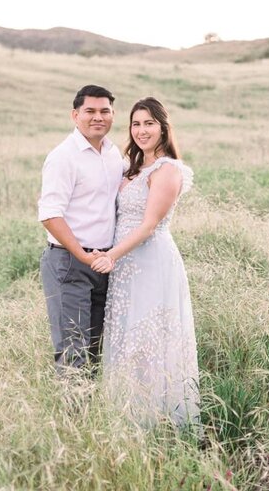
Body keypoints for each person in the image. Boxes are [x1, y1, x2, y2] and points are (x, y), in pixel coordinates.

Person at [92, 96, 200, 428]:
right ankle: (126, 416)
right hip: (125, 266)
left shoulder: (168, 170)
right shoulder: (132, 167)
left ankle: (158, 422)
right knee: (126, 336)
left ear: (163, 128)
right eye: (136, 124)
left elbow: (149, 224)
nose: (141, 130)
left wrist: (110, 255)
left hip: (151, 261)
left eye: (149, 123)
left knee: (149, 337)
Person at [37, 84, 125, 371]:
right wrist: (82, 255)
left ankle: (92, 412)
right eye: (90, 111)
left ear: (113, 115)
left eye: (105, 111)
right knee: (73, 348)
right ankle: (73, 415)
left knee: (97, 347)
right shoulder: (64, 156)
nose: (98, 117)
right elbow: (50, 215)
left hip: (105, 263)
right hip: (70, 261)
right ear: (75, 115)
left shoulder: (113, 155)